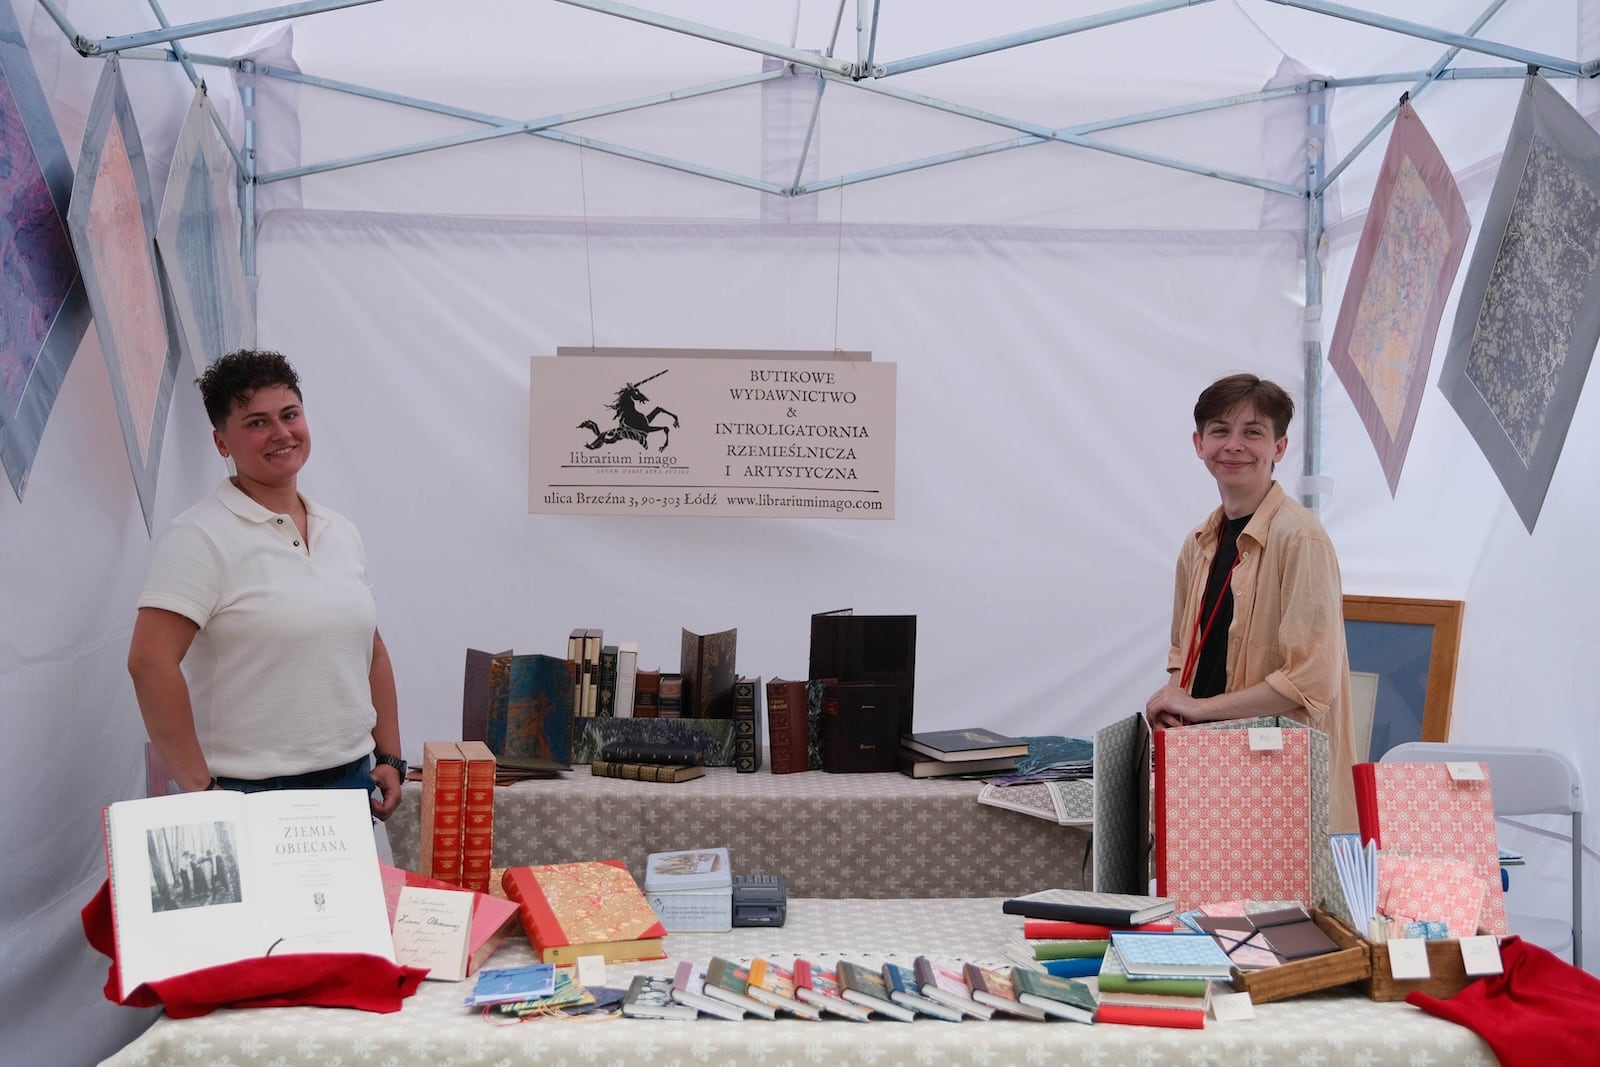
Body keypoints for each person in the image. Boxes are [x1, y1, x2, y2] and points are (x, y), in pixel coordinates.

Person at [126, 350, 405, 821]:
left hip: (352, 784)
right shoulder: (198, 537)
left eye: (289, 415)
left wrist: (391, 756)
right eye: (257, 422)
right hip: (249, 796)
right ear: (221, 442)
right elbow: (150, 662)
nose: (281, 432)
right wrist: (201, 789)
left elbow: (371, 649)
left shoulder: (340, 531)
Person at [1144, 373, 1358, 832]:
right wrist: (1174, 705)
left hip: (1277, 782)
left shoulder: (1300, 538)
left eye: (1253, 432)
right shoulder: (1198, 543)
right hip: (1207, 768)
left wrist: (1200, 709)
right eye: (1220, 431)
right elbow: (1183, 654)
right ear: (1199, 444)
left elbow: (1311, 682)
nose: (1234, 445)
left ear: (1279, 448)